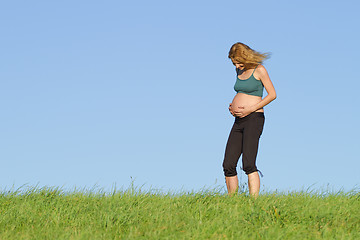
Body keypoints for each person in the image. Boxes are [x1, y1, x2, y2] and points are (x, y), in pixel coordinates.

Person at [222, 42, 277, 197]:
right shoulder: (238, 71)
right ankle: (232, 201)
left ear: (245, 57)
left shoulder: (260, 70)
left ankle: (254, 201)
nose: (237, 66)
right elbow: (242, 93)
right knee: (228, 164)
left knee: (248, 163)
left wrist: (250, 108)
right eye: (234, 63)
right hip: (239, 120)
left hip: (254, 118)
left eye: (239, 62)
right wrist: (233, 106)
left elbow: (272, 94)